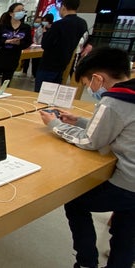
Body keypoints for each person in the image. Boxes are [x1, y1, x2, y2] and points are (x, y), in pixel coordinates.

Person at [38, 47, 135, 268]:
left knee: (75, 201)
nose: (90, 89)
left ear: (98, 78)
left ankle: (86, 262)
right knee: (126, 230)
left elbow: (90, 142)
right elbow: (118, 127)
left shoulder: (113, 101)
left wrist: (55, 125)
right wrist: (80, 120)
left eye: (86, 83)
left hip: (127, 184)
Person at [34, 0, 87, 92]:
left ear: (63, 7)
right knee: (54, 91)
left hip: (49, 63)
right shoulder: (82, 23)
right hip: (65, 62)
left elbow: (46, 44)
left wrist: (46, 33)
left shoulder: (59, 24)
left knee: (41, 92)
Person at [0, 3, 32, 85]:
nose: (21, 12)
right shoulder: (2, 26)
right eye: (18, 10)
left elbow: (28, 42)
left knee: (5, 84)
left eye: (23, 10)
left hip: (13, 59)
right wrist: (5, 41)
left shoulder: (26, 28)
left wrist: (19, 43)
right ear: (11, 13)